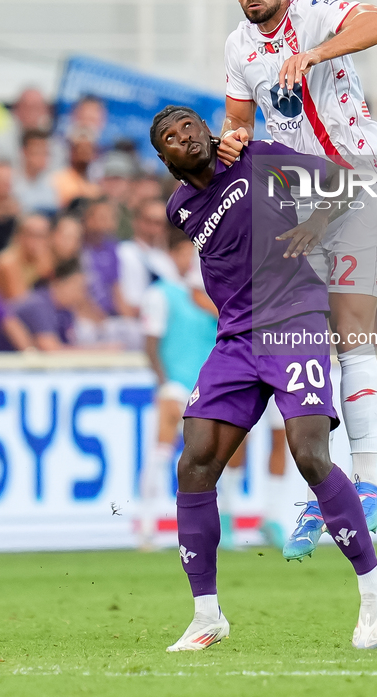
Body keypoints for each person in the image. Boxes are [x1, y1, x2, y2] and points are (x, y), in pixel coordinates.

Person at [151, 105, 377, 652]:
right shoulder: (181, 208)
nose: (184, 135)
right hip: (236, 339)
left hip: (294, 319)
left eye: (190, 124)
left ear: (208, 131)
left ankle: (375, 589)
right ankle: (206, 615)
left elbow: (343, 183)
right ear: (165, 158)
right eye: (170, 135)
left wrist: (313, 223)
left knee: (310, 455)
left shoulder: (258, 158)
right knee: (194, 464)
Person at [217, 0, 377, 560]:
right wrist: (231, 142)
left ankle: (368, 482)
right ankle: (330, 491)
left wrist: (315, 53)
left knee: (351, 333)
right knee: (296, 342)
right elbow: (238, 121)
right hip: (300, 196)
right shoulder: (239, 47)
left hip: (358, 175)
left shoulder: (316, 13)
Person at [140, 228, 218, 548]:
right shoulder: (160, 294)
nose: (189, 259)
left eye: (193, 253)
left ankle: (209, 528)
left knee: (207, 457)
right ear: (171, 255)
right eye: (184, 253)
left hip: (205, 386)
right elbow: (151, 344)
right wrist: (164, 383)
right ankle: (145, 526)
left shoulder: (207, 296)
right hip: (175, 384)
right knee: (161, 452)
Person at [13, 257, 88, 350]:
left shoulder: (65, 312)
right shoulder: (38, 305)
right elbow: (52, 351)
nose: (81, 295)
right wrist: (101, 352)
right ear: (59, 282)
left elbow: (69, 346)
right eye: (78, 288)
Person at [118, 197, 179, 310]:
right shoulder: (123, 251)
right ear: (136, 221)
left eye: (159, 223)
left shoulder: (165, 260)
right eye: (148, 221)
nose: (153, 228)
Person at [81, 197, 136, 318]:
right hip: (83, 315)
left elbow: (116, 288)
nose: (108, 222)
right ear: (88, 219)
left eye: (110, 217)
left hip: (109, 315)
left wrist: (129, 318)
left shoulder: (111, 248)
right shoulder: (78, 247)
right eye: (102, 217)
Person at [0, 213, 54, 302]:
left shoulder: (48, 258)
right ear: (19, 236)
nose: (37, 241)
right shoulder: (7, 263)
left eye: (42, 236)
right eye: (31, 235)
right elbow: (20, 302)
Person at [51, 129, 101, 209]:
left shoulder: (95, 183)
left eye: (88, 149)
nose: (84, 153)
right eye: (81, 148)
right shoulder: (58, 179)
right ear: (72, 151)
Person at [13, 130, 60, 214]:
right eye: (38, 152)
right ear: (24, 152)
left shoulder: (52, 182)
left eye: (46, 153)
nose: (43, 157)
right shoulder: (11, 182)